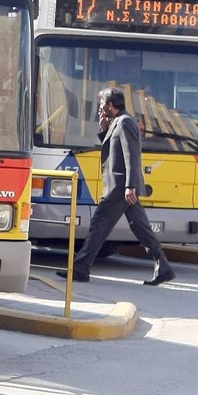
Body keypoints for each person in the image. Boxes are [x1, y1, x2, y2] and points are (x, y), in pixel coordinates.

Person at [56, 87, 176, 286]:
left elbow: (131, 155)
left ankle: (80, 268)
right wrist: (104, 129)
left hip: (120, 187)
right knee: (140, 228)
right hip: (121, 187)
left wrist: (130, 186)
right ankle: (163, 268)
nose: (100, 108)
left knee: (99, 224)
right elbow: (114, 148)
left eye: (102, 104)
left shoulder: (126, 122)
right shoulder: (117, 122)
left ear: (110, 105)